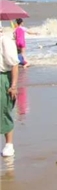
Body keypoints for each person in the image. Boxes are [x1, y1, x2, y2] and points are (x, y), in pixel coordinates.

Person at [1, 25, 20, 157]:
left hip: (3, 77)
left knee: (3, 110)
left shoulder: (5, 41)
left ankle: (9, 145)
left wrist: (13, 86)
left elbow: (14, 64)